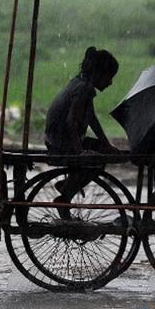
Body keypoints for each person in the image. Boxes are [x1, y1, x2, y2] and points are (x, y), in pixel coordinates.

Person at [44, 47, 119, 218]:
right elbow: (71, 121)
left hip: (58, 139)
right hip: (62, 141)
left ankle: (68, 185)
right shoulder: (84, 89)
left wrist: (106, 143)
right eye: (109, 77)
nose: (110, 82)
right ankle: (65, 196)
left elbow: (91, 118)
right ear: (98, 74)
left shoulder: (80, 83)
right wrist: (79, 151)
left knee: (101, 151)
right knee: (97, 161)